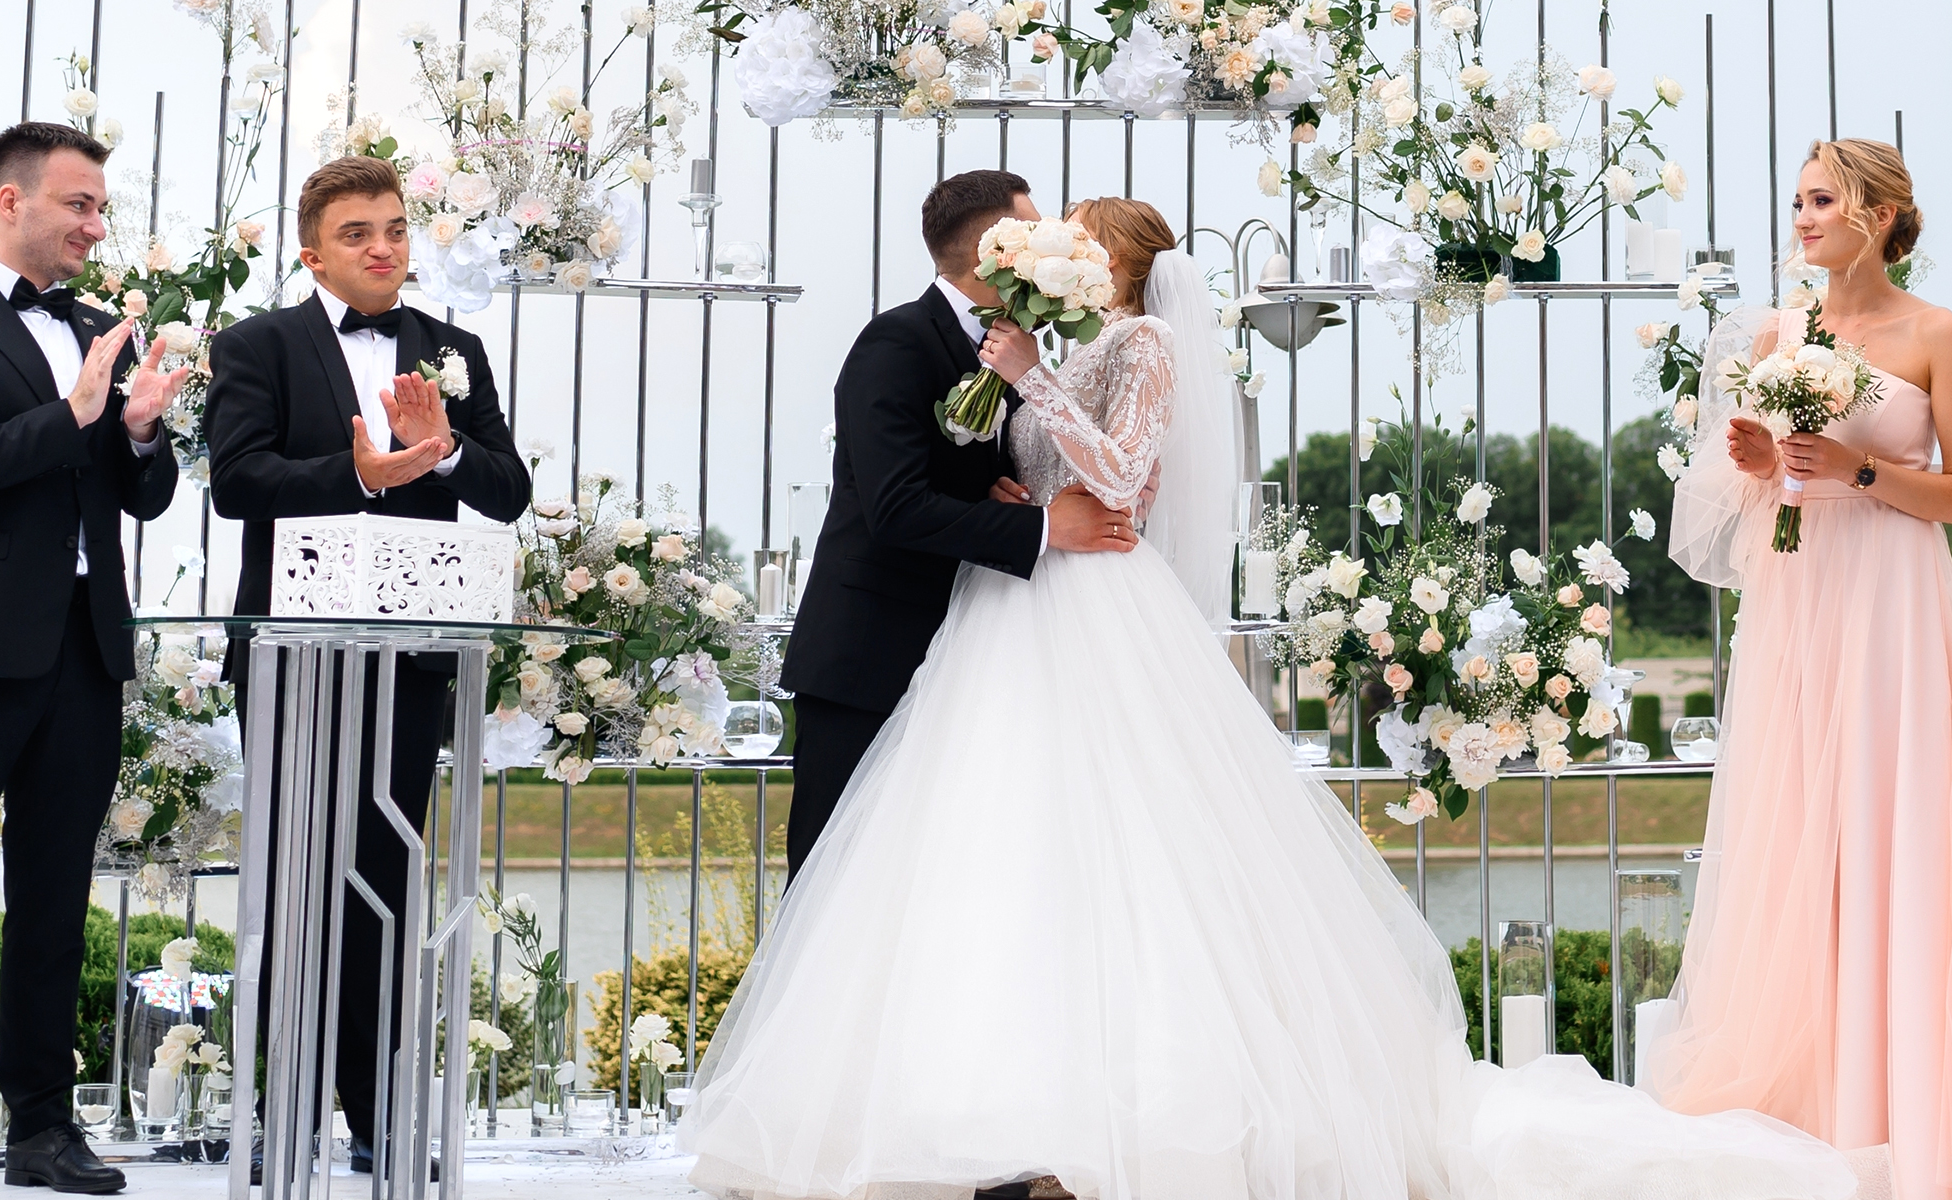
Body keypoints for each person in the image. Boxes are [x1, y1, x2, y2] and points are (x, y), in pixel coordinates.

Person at [685, 195, 1858, 1200]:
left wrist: (1036, 392)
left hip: (1095, 602)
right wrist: (1013, 474)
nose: (1062, 258)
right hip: (1012, 605)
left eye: (1081, 245)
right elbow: (1028, 467)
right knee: (996, 844)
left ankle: (1129, 1108)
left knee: (1135, 846)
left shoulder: (1138, 343)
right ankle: (974, 1100)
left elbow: (1126, 477)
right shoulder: (1043, 345)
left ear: (1122, 267)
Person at [1655, 138, 1952, 1200]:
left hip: (1893, 593)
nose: (1801, 218)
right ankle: (1803, 1100)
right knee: (1799, 826)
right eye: (1796, 200)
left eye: (1822, 201)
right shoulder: (1775, 331)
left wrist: (1860, 467)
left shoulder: (1939, 334)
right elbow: (1750, 494)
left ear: (1881, 216)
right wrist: (1761, 468)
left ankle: (1899, 1108)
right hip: (1801, 603)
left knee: (1889, 827)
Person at [205, 155, 531, 1177]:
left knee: (384, 882)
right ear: (312, 253)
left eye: (394, 228)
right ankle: (283, 1108)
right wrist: (353, 472)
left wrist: (442, 454)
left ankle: (377, 1112)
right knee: (296, 881)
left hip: (410, 656)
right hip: (295, 658)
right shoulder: (256, 344)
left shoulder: (453, 349)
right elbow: (236, 481)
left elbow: (510, 491)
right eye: (358, 233)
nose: (384, 247)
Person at [0, 121, 186, 1200]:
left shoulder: (102, 327)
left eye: (101, 207)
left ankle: (41, 1130)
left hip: (82, 647)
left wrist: (143, 432)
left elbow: (136, 493)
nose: (95, 226)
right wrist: (72, 415)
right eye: (80, 205)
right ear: (10, 202)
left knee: (57, 904)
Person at [776, 168, 1140, 883]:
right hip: (869, 659)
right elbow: (894, 508)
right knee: (832, 882)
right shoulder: (896, 345)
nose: (1053, 244)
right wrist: (1044, 531)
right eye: (1036, 232)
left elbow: (961, 474)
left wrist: (999, 494)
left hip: (967, 658)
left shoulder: (1006, 348)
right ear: (994, 255)